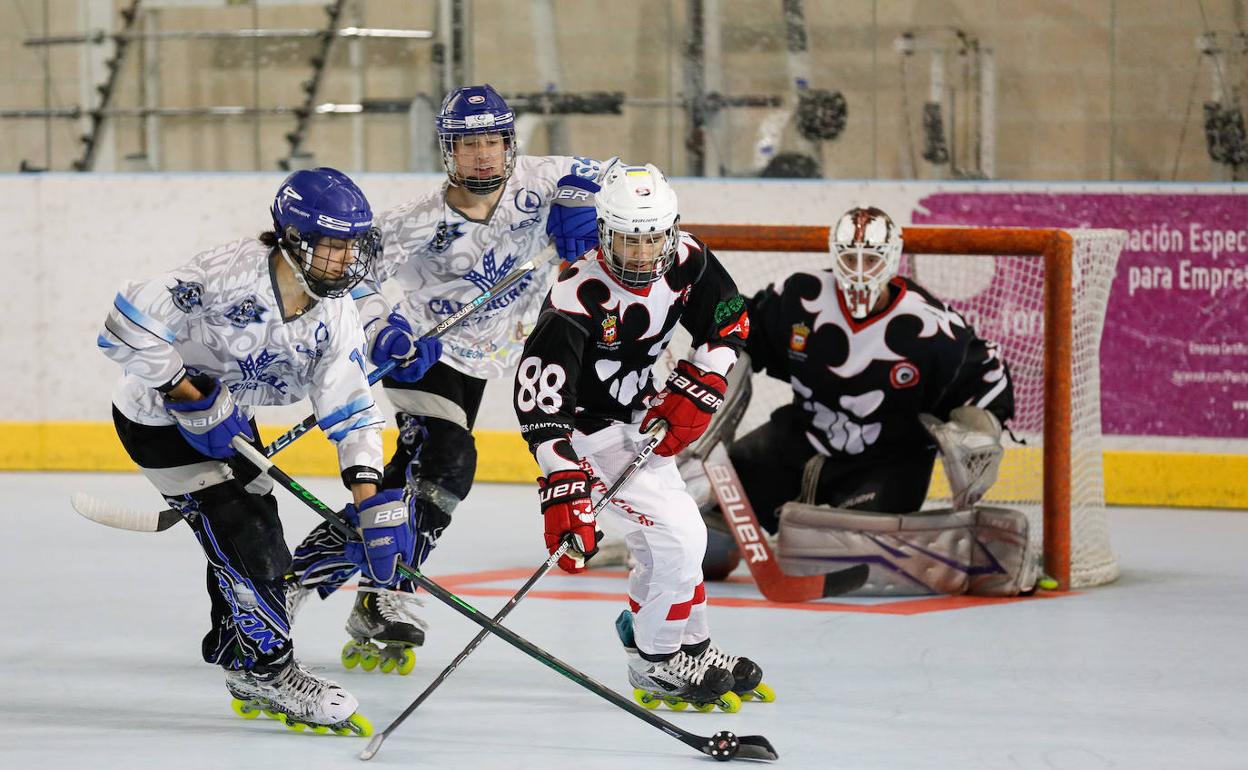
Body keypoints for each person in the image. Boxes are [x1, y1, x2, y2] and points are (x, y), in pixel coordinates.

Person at [98, 168, 439, 735]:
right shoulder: (223, 275)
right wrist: (187, 393)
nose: (345, 262)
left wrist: (371, 502)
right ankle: (267, 671)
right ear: (292, 238)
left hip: (228, 424)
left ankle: (242, 655)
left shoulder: (335, 314)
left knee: (249, 535)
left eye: (352, 247)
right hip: (156, 419)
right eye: (332, 247)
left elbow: (351, 406)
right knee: (249, 535)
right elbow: (123, 326)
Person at [288, 84, 607, 670]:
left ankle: (314, 582)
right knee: (448, 460)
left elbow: (637, 184)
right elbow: (352, 276)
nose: (483, 155)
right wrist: (384, 328)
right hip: (425, 352)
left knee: (423, 483)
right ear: (447, 151)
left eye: (493, 141)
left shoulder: (545, 180)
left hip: (491, 356)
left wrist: (586, 202)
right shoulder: (418, 221)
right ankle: (367, 592)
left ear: (510, 144)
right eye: (468, 144)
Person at [513, 159, 771, 713]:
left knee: (670, 540)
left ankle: (689, 646)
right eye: (628, 242)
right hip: (587, 434)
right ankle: (655, 660)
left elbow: (729, 320)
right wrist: (563, 481)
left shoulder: (688, 260)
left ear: (671, 231)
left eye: (653, 240)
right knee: (683, 536)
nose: (643, 256)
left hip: (637, 422)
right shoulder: (573, 297)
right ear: (604, 233)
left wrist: (704, 377)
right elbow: (538, 403)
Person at [722, 206, 1023, 594]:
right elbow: (744, 332)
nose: (860, 270)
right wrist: (700, 323)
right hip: (800, 440)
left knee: (854, 562)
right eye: (850, 258)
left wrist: (980, 429)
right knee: (704, 534)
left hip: (887, 461)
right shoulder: (799, 296)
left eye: (872, 259)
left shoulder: (934, 328)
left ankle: (841, 535)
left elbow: (986, 378)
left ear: (892, 259)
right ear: (835, 254)